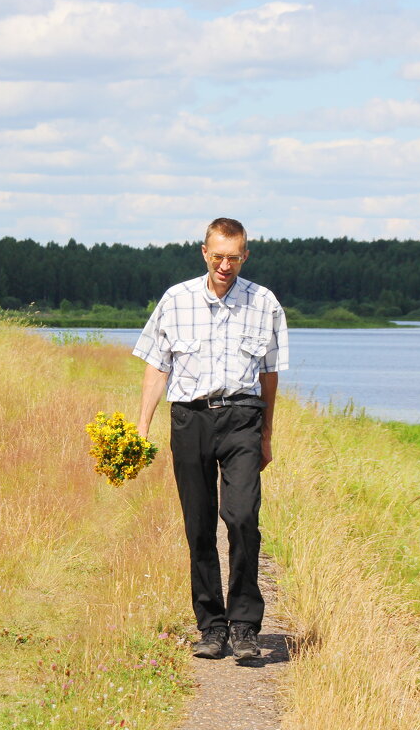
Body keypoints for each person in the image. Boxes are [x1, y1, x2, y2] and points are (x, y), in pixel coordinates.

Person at [133, 217, 289, 661]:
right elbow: (156, 365)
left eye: (233, 257)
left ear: (245, 255)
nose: (225, 265)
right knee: (198, 526)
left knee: (241, 518)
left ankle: (244, 625)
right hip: (190, 420)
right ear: (204, 252)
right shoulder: (176, 300)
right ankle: (211, 627)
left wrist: (266, 436)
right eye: (217, 256)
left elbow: (270, 375)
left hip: (243, 418)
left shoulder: (265, 303)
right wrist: (142, 427)